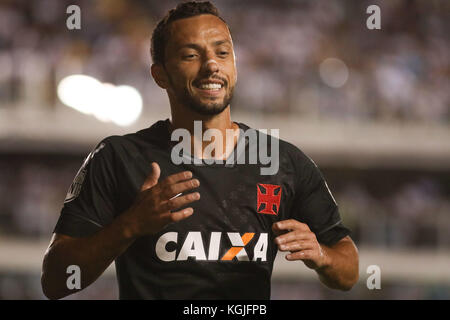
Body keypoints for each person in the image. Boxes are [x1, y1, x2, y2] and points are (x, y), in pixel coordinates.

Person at [41, 1, 358, 300]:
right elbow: (55, 280)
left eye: (222, 53)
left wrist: (322, 256)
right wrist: (130, 226)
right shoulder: (118, 157)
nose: (211, 66)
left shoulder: (284, 162)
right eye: (191, 56)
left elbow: (348, 269)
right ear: (160, 74)